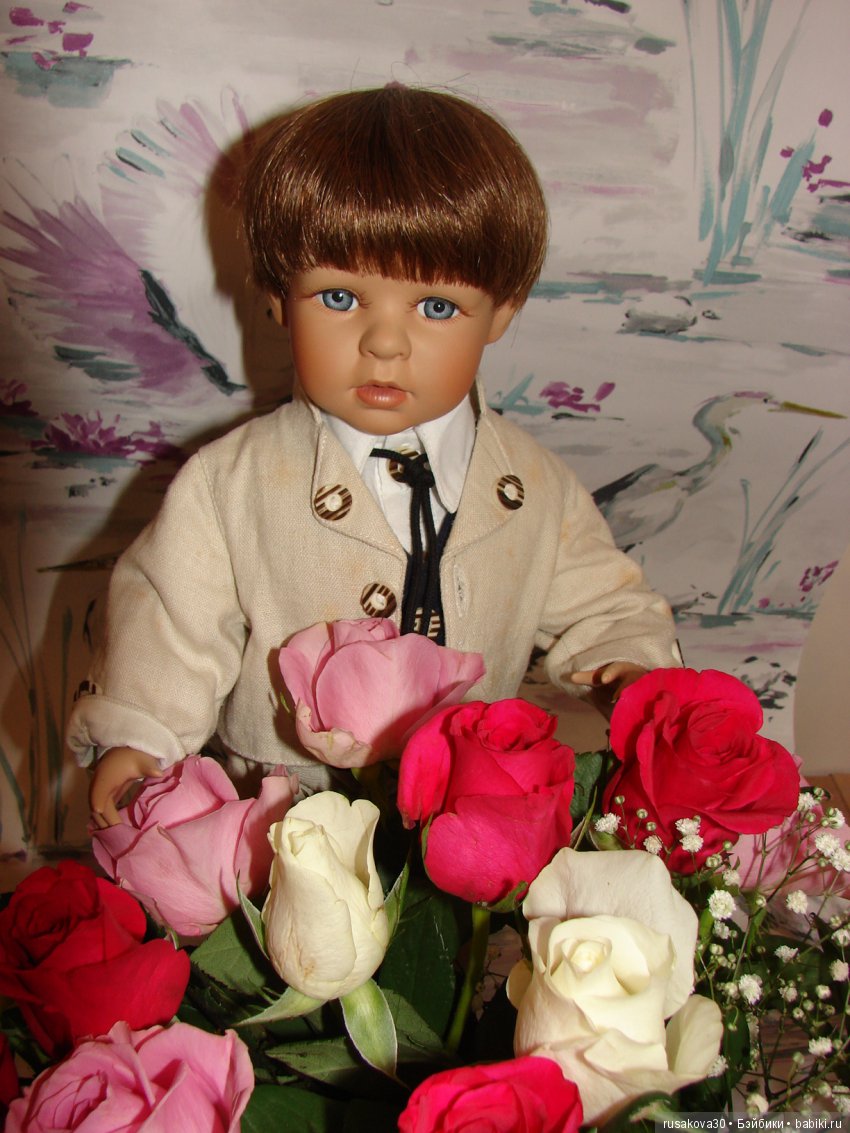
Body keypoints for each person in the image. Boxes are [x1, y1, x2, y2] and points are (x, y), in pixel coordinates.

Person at [67, 84, 681, 826]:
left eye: (437, 307)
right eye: (338, 297)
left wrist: (631, 667)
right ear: (278, 296)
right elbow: (172, 622)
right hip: (287, 823)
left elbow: (603, 603)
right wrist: (140, 734)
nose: (384, 342)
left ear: (501, 313)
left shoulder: (535, 488)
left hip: (464, 820)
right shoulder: (231, 483)